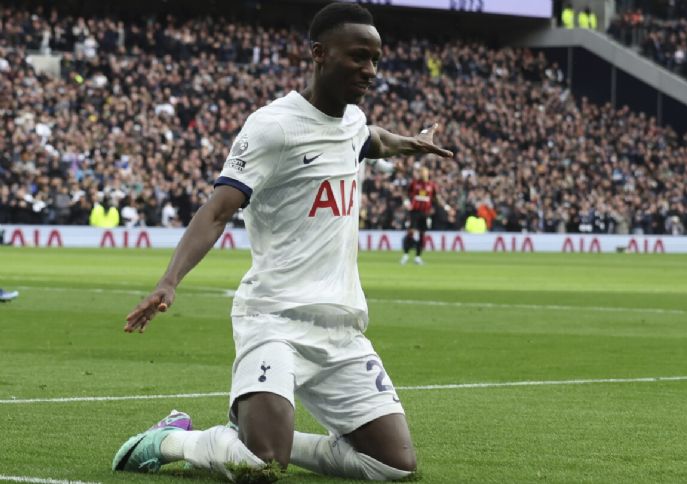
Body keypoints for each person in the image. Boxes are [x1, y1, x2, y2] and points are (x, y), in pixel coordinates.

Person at [112, 3, 453, 482]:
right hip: (273, 319)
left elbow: (368, 139)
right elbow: (217, 210)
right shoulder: (274, 126)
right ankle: (170, 439)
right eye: (358, 57)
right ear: (319, 53)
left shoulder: (353, 121)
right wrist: (169, 281)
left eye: (376, 59)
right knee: (260, 464)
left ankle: (267, 438)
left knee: (393, 468)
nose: (370, 70)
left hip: (342, 329)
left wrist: (408, 143)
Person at [400, 166, 450, 265]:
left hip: (424, 213)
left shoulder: (431, 185)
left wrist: (446, 207)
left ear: (427, 174)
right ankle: (405, 255)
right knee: (411, 232)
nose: (423, 174)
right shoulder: (414, 183)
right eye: (421, 172)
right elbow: (405, 193)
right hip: (414, 212)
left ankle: (418, 257)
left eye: (424, 172)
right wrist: (406, 202)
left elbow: (437, 198)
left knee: (422, 234)